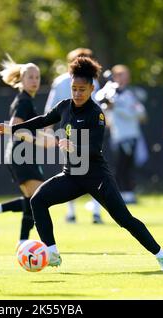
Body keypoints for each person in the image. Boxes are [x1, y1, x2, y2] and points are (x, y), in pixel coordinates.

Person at [0, 56, 163, 271]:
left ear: (92, 88)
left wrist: (74, 147)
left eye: (82, 90)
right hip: (72, 176)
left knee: (124, 219)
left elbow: (95, 149)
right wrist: (11, 129)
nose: (77, 94)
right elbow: (41, 121)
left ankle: (161, 255)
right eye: (74, 89)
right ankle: (52, 252)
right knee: (38, 200)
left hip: (96, 178)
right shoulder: (65, 106)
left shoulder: (96, 114)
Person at [0, 56, 56, 248]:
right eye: (30, 76)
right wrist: (40, 140)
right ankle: (25, 242)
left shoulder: (27, 100)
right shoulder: (24, 101)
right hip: (20, 156)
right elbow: (15, 127)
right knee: (38, 200)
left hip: (22, 156)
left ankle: (0, 215)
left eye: (37, 77)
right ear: (21, 80)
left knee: (32, 200)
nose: (35, 80)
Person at [44, 48, 103, 224]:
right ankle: (79, 212)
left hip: (84, 132)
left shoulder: (92, 82)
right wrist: (47, 130)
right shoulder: (62, 82)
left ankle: (91, 212)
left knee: (84, 171)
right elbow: (52, 109)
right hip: (70, 133)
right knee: (74, 172)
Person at [104, 65, 148, 204]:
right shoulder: (109, 95)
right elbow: (106, 116)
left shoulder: (129, 95)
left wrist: (120, 109)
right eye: (122, 75)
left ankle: (128, 194)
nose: (126, 78)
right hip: (119, 136)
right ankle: (121, 195)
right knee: (120, 166)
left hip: (132, 135)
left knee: (128, 166)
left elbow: (141, 114)